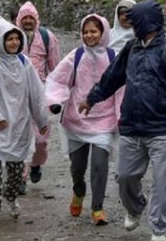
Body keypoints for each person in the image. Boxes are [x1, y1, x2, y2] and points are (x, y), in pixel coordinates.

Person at [78, 0, 166, 241]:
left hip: (162, 128)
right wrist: (92, 98)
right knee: (124, 177)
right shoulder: (131, 48)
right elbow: (113, 77)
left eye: (135, 22)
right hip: (131, 126)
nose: (131, 26)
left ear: (146, 22)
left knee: (163, 181)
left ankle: (159, 226)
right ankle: (135, 207)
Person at [0, 17, 49, 229]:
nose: (14, 42)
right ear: (0, 41)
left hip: (18, 128)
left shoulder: (24, 63)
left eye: (16, 38)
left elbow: (36, 94)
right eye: (9, 39)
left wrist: (41, 120)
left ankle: (11, 196)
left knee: (15, 172)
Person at [45, 13, 118, 225]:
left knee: (99, 165)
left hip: (104, 120)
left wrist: (122, 115)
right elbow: (58, 80)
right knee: (77, 168)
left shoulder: (114, 57)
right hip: (77, 119)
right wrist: (55, 101)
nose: (89, 35)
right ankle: (78, 191)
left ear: (103, 32)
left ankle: (97, 208)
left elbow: (122, 88)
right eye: (85, 32)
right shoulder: (76, 56)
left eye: (94, 31)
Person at [15, 1, 61, 191]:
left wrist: (55, 97)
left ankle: (36, 164)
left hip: (41, 94)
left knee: (41, 140)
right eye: (24, 18)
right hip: (17, 95)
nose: (27, 21)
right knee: (20, 137)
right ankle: (20, 178)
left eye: (31, 18)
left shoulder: (47, 38)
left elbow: (56, 71)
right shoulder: (12, 37)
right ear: (19, 19)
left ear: (36, 19)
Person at [108, 0, 136, 120]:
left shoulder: (142, 36)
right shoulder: (107, 36)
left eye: (128, 13)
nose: (125, 17)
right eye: (121, 13)